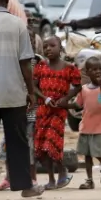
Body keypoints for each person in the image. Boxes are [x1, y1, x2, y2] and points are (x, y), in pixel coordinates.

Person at [0, 0, 45, 200]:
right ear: (7, 0)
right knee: (18, 141)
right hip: (12, 92)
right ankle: (25, 187)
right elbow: (26, 62)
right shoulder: (18, 24)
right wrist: (31, 91)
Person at [0, 26, 42, 191]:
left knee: (28, 147)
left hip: (30, 112)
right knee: (7, 144)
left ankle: (32, 178)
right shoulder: (12, 60)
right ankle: (8, 177)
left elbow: (38, 86)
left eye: (31, 39)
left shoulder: (37, 62)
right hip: (12, 107)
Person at [33, 36, 81, 190]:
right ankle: (51, 178)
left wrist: (66, 98)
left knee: (52, 143)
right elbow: (33, 87)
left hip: (58, 112)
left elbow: (77, 85)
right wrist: (45, 98)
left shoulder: (69, 68)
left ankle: (61, 171)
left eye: (52, 46)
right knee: (41, 147)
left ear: (60, 48)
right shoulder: (41, 66)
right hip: (43, 110)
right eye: (45, 46)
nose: (48, 49)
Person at [76, 57, 101, 189]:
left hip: (100, 127)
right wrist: (63, 103)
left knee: (98, 153)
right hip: (86, 126)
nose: (98, 71)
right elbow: (77, 104)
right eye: (94, 69)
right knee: (87, 154)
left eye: (100, 68)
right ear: (87, 72)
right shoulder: (84, 89)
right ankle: (89, 180)